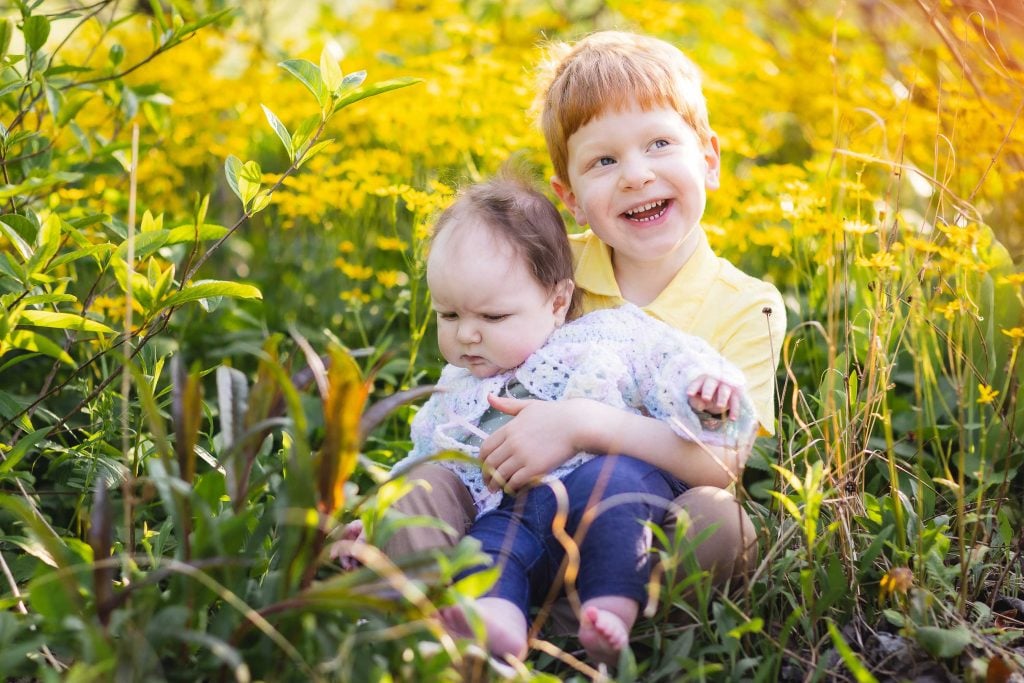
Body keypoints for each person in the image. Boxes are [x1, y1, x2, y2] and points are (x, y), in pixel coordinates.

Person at [385, 29, 786, 592]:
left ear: (710, 159)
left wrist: (580, 425)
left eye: (660, 144)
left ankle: (593, 610)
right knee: (418, 496)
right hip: (509, 497)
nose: (636, 174)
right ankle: (431, 597)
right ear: (569, 198)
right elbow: (476, 389)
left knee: (722, 523)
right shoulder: (550, 270)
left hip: (643, 520)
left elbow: (723, 463)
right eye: (603, 160)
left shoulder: (749, 306)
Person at [384, 169, 756, 665]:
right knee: (475, 539)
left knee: (657, 507)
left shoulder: (606, 336)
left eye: (492, 318)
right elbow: (427, 457)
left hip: (610, 509)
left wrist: (706, 390)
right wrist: (377, 518)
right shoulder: (456, 390)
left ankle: (606, 612)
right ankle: (497, 625)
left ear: (558, 302)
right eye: (449, 316)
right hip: (511, 521)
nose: (467, 335)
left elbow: (672, 362)